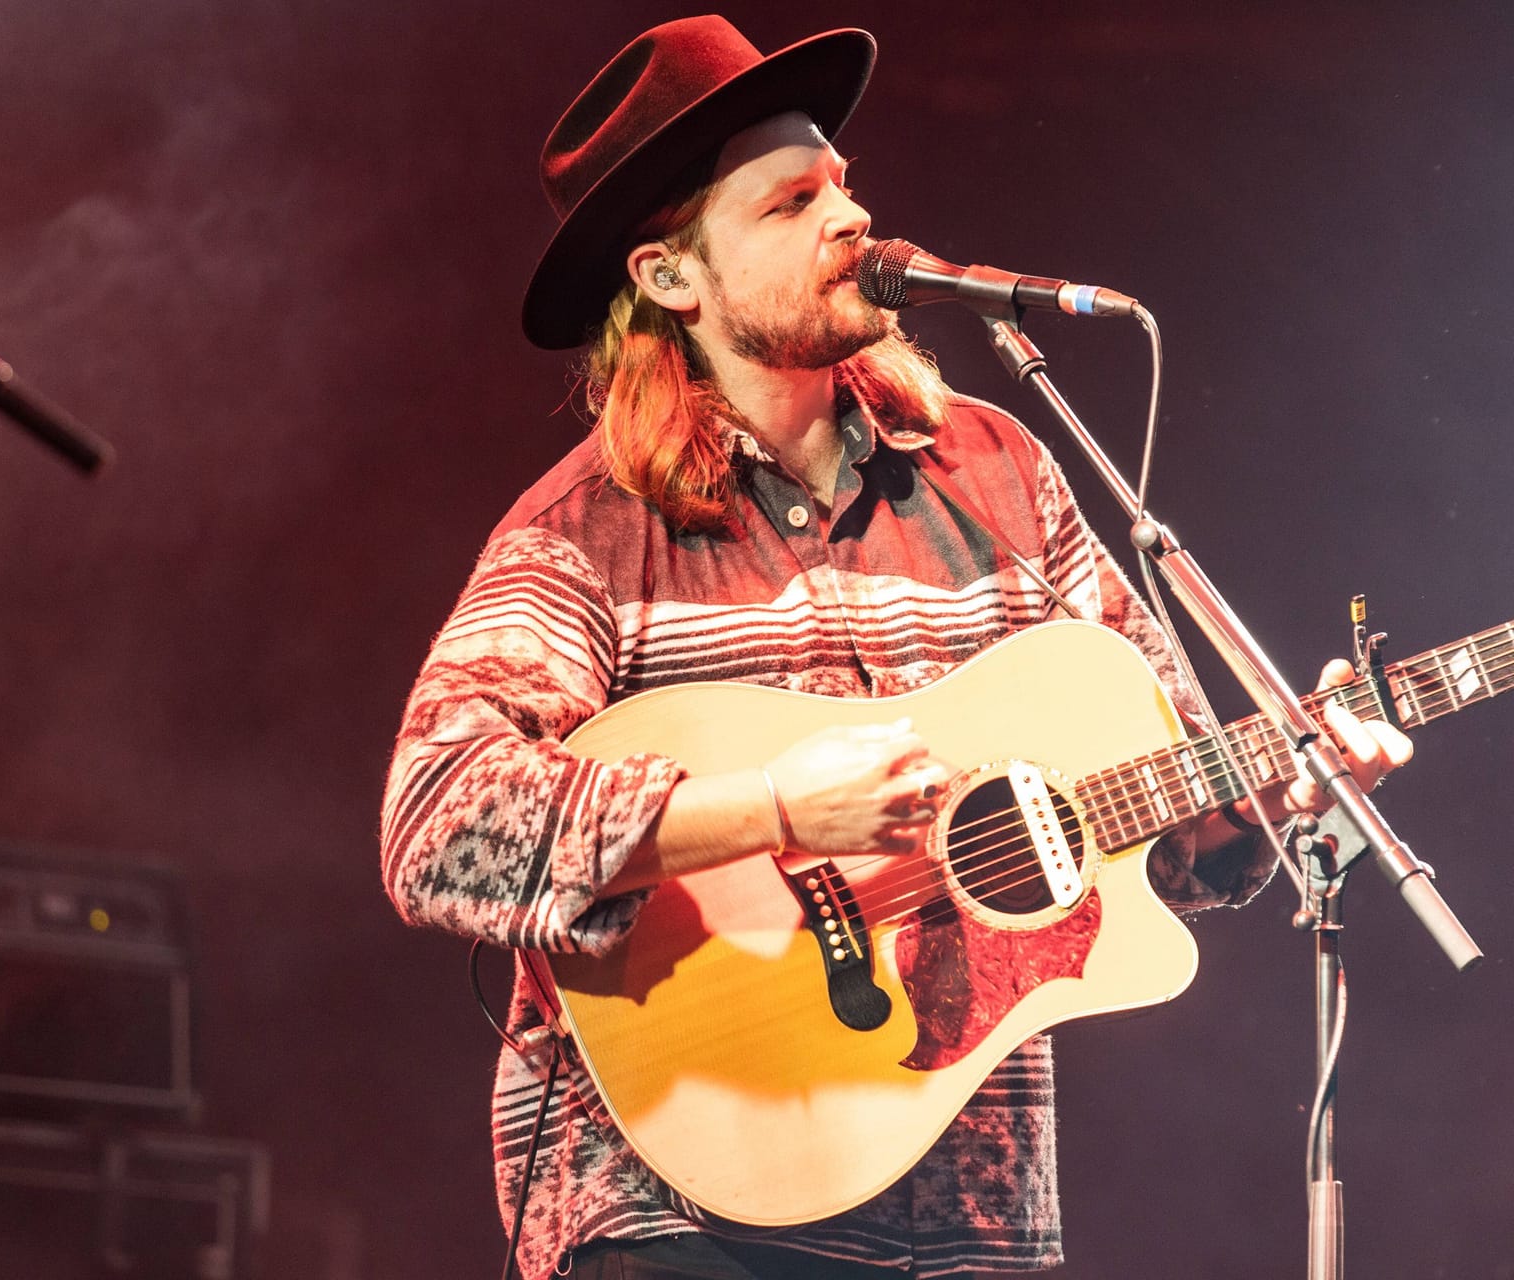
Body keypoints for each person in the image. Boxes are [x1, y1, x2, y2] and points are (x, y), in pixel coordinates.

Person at [380, 16, 1411, 1280]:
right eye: (794, 201)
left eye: (845, 184)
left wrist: (1271, 785)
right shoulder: (591, 530)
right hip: (679, 1212)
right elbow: (437, 825)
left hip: (971, 1219)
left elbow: (1171, 803)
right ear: (669, 278)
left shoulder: (1002, 473)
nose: (850, 218)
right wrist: (769, 807)